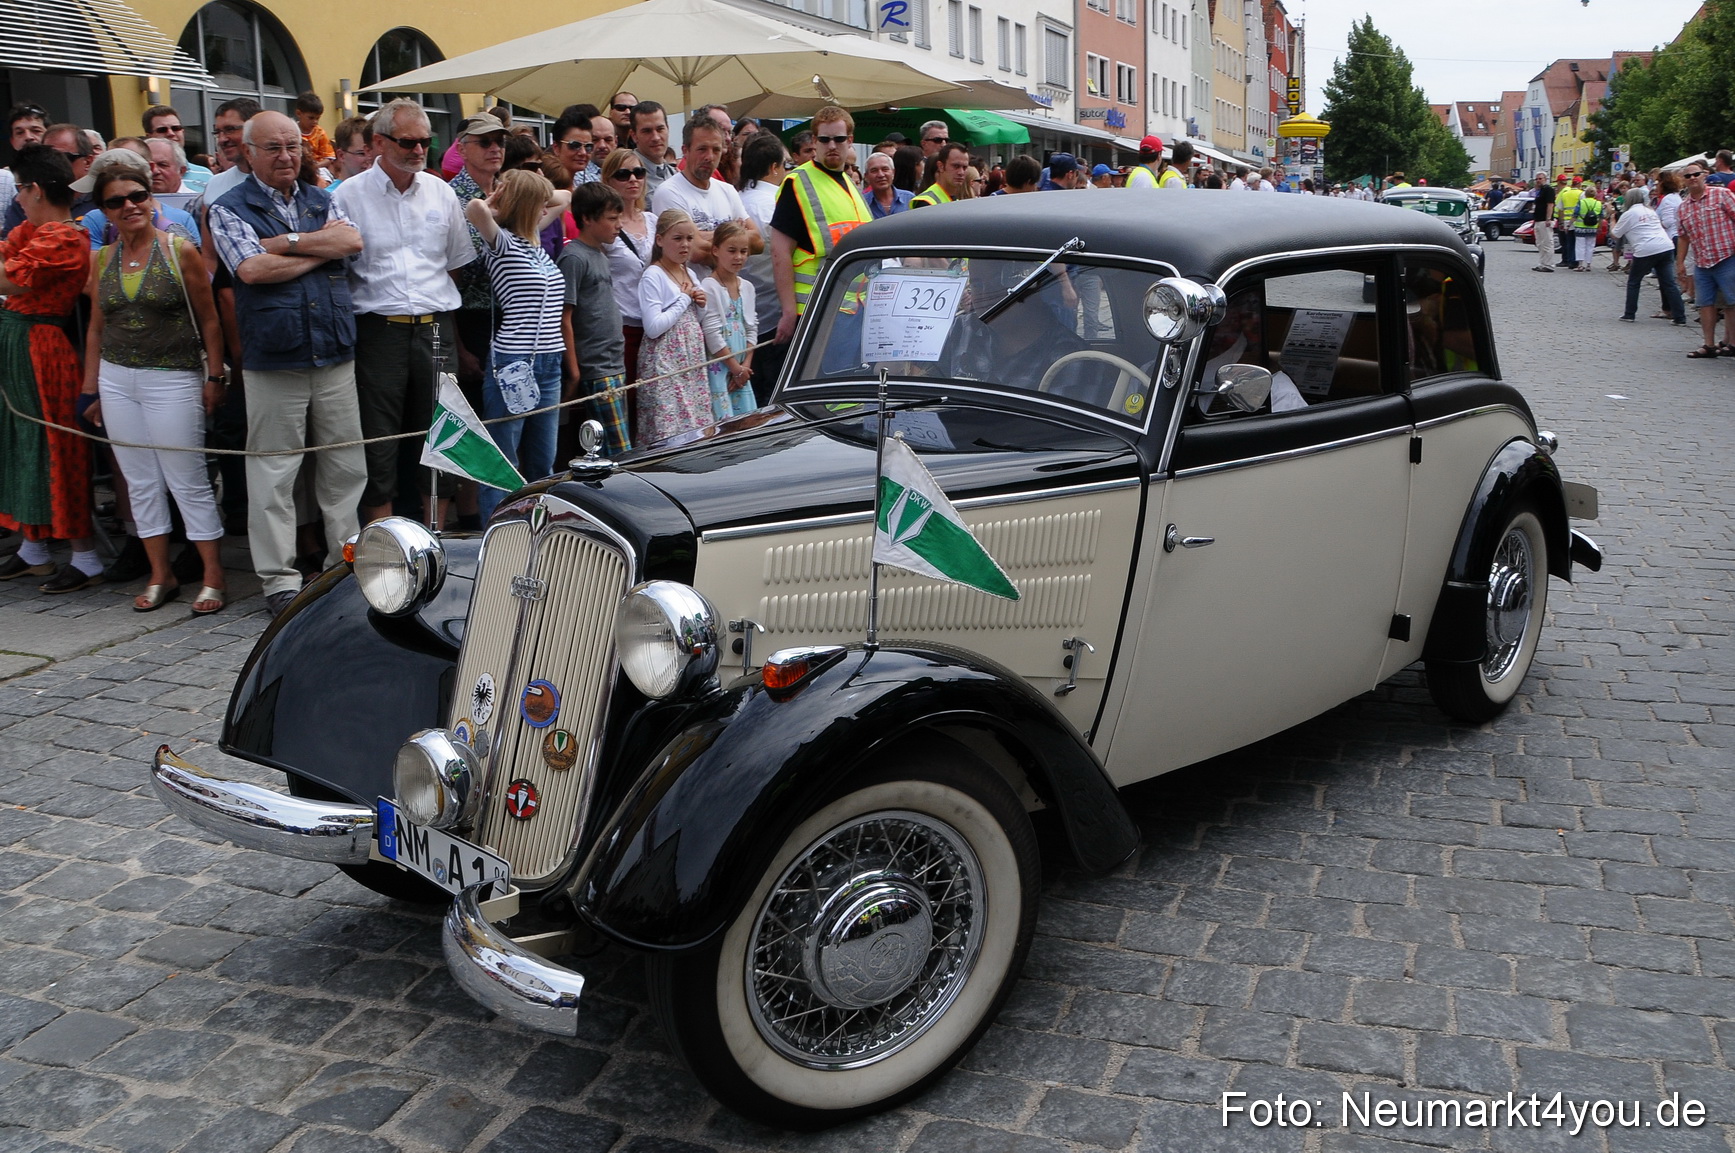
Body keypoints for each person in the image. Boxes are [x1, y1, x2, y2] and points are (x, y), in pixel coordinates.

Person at [207, 110, 368, 617]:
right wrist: (320, 249)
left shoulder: (324, 197)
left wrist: (289, 245)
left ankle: (344, 564)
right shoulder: (229, 206)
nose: (286, 156)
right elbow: (251, 270)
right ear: (249, 153)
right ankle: (278, 579)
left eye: (293, 146)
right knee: (274, 473)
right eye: (273, 148)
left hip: (334, 351)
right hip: (274, 359)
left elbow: (353, 242)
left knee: (345, 467)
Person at [80, 162, 228, 612]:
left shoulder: (178, 249)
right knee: (140, 481)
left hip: (174, 376)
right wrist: (91, 390)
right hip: (117, 377)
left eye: (137, 196)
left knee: (186, 479)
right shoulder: (101, 258)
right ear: (103, 211)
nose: (129, 206)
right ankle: (161, 574)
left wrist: (215, 376)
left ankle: (213, 575)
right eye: (115, 201)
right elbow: (96, 329)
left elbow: (209, 319)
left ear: (151, 199)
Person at [333, 99, 475, 525]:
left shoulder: (441, 192)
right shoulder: (348, 196)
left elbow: (454, 263)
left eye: (426, 142)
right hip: (379, 330)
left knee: (443, 432)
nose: (419, 150)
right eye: (408, 142)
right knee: (379, 439)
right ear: (378, 142)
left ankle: (437, 533)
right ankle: (384, 542)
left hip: (434, 326)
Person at [0, 146, 99, 592]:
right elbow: (8, 254)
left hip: (42, 349)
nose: (18, 198)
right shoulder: (35, 229)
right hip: (21, 345)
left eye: (20, 189)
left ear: (36, 189)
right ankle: (33, 548)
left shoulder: (64, 236)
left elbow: (10, 277)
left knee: (56, 447)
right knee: (21, 444)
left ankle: (85, 555)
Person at [463, 169, 569, 516]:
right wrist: (500, 202)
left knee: (543, 456)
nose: (546, 208)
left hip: (549, 359)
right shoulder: (502, 241)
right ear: (526, 206)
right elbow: (475, 208)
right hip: (515, 359)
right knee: (504, 457)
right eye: (538, 203)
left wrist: (534, 190)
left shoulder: (534, 241)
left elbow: (566, 197)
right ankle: (495, 526)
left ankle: (540, 525)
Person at [768, 106, 872, 349]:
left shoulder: (849, 183)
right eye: (824, 139)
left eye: (839, 139)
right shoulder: (798, 182)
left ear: (850, 141)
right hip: (815, 312)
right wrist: (788, 311)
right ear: (815, 141)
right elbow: (779, 251)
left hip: (853, 310)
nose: (832, 145)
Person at [559, 181, 632, 456]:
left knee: (609, 447)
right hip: (596, 367)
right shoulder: (574, 258)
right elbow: (565, 317)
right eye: (612, 219)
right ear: (587, 218)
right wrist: (575, 372)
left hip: (614, 363)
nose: (618, 225)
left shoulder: (600, 254)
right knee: (618, 450)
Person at [637, 209, 712, 442]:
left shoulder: (687, 271)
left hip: (691, 358)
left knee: (695, 425)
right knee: (669, 427)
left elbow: (697, 318)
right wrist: (684, 299)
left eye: (690, 238)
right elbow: (653, 327)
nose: (685, 245)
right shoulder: (653, 275)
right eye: (677, 238)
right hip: (665, 363)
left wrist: (700, 303)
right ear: (660, 240)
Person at [650, 116, 761, 272]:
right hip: (691, 292)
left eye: (716, 150)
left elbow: (758, 241)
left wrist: (703, 235)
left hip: (728, 292)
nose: (709, 157)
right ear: (685, 151)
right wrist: (736, 233)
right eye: (702, 149)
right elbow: (696, 252)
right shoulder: (669, 192)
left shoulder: (727, 191)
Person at [450, 112, 508, 400]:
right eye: (485, 142)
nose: (495, 148)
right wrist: (458, 347)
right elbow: (447, 278)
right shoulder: (449, 198)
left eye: (499, 141)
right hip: (470, 320)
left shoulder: (510, 192)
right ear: (461, 149)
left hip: (513, 322)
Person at [736, 133, 787, 402]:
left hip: (745, 317)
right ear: (773, 168)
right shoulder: (773, 202)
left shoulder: (738, 200)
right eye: (785, 165)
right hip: (774, 315)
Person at [1674, 162, 1735, 358]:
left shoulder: (1721, 195)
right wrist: (1680, 262)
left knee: (1732, 302)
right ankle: (1709, 345)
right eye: (1688, 176)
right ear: (1683, 181)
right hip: (1702, 261)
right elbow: (1683, 237)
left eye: (1696, 174)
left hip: (1727, 256)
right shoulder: (1683, 207)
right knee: (1704, 303)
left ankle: (1732, 343)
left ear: (1704, 175)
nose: (1692, 178)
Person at [700, 219, 757, 421]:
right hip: (722, 365)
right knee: (724, 421)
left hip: (741, 366)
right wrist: (734, 367)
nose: (738, 257)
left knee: (746, 419)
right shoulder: (709, 286)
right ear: (716, 250)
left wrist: (745, 368)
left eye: (743, 251)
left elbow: (751, 327)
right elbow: (712, 333)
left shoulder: (747, 287)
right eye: (732, 251)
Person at [1612, 187, 1685, 326]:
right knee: (1669, 283)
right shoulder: (1651, 211)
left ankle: (1629, 313)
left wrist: (1612, 219)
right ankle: (1679, 316)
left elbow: (1615, 234)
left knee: (1634, 281)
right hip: (1665, 246)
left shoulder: (1629, 214)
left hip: (1645, 249)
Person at [141, 105, 213, 191]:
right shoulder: (141, 174)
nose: (171, 133)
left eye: (176, 128)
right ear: (149, 136)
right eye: (162, 130)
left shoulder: (206, 174)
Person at [630, 102, 675, 194]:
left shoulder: (674, 173)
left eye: (660, 129)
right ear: (634, 136)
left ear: (668, 129)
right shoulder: (626, 176)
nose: (656, 137)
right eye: (647, 131)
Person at [912, 142, 972, 206]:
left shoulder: (955, 200)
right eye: (956, 166)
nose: (961, 172)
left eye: (965, 167)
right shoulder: (926, 201)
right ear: (941, 166)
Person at [551, 107, 597, 186]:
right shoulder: (545, 187)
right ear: (556, 148)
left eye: (588, 147)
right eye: (575, 145)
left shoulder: (587, 183)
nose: (583, 153)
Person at [293, 91, 335, 172]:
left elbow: (329, 158)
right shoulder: (292, 131)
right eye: (311, 118)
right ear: (299, 113)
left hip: (318, 169)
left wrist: (315, 166)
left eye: (317, 118)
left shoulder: (320, 133)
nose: (315, 122)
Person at [864, 151, 911, 218]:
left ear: (893, 172)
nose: (881, 175)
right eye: (874, 170)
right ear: (866, 176)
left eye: (885, 169)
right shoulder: (861, 203)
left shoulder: (909, 199)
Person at [328, 116, 373, 187]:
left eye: (371, 152)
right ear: (341, 155)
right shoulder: (330, 196)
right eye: (361, 153)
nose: (369, 159)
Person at [1529, 172, 1556, 273]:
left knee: (1547, 242)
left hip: (1545, 220)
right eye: (1537, 179)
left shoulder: (1548, 190)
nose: (1538, 181)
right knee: (1540, 243)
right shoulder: (1540, 190)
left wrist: (1548, 218)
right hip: (1538, 220)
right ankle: (1542, 263)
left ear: (1545, 179)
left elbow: (1550, 204)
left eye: (1540, 178)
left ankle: (1549, 264)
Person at [1572, 184, 1602, 270]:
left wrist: (1568, 224)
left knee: (1580, 246)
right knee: (1590, 246)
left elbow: (1575, 215)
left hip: (1580, 227)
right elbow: (1601, 216)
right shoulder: (1598, 203)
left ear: (1585, 194)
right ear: (1595, 194)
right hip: (1593, 228)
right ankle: (1588, 264)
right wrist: (1599, 227)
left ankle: (1580, 264)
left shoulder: (1581, 202)